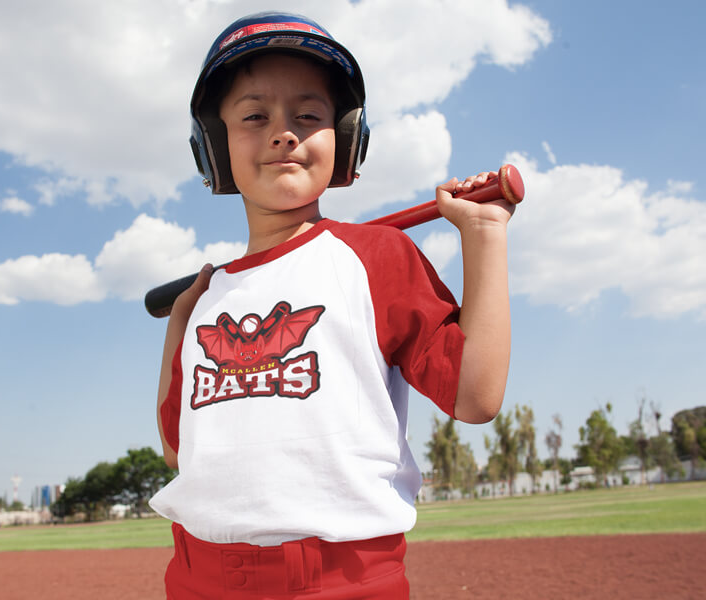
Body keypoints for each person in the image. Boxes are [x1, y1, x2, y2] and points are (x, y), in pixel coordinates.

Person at [149, 11, 514, 599]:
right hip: (198, 577)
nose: (283, 131)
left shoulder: (376, 257)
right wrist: (180, 324)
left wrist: (484, 233)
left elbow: (474, 396)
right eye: (253, 115)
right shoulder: (205, 300)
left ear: (345, 138)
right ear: (213, 145)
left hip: (342, 581)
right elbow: (177, 450)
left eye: (308, 114)